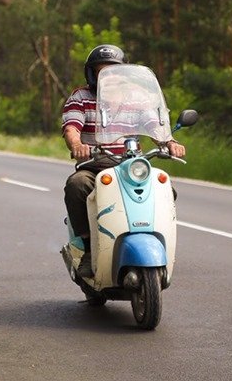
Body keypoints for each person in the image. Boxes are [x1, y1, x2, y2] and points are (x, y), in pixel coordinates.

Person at [62, 44, 185, 277]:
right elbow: (71, 127)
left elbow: (154, 125)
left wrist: (169, 143)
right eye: (101, 71)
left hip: (130, 165)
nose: (108, 76)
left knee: (166, 188)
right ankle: (88, 249)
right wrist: (77, 146)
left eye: (113, 71)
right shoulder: (81, 97)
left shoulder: (136, 98)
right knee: (77, 184)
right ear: (92, 74)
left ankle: (158, 237)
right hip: (96, 165)